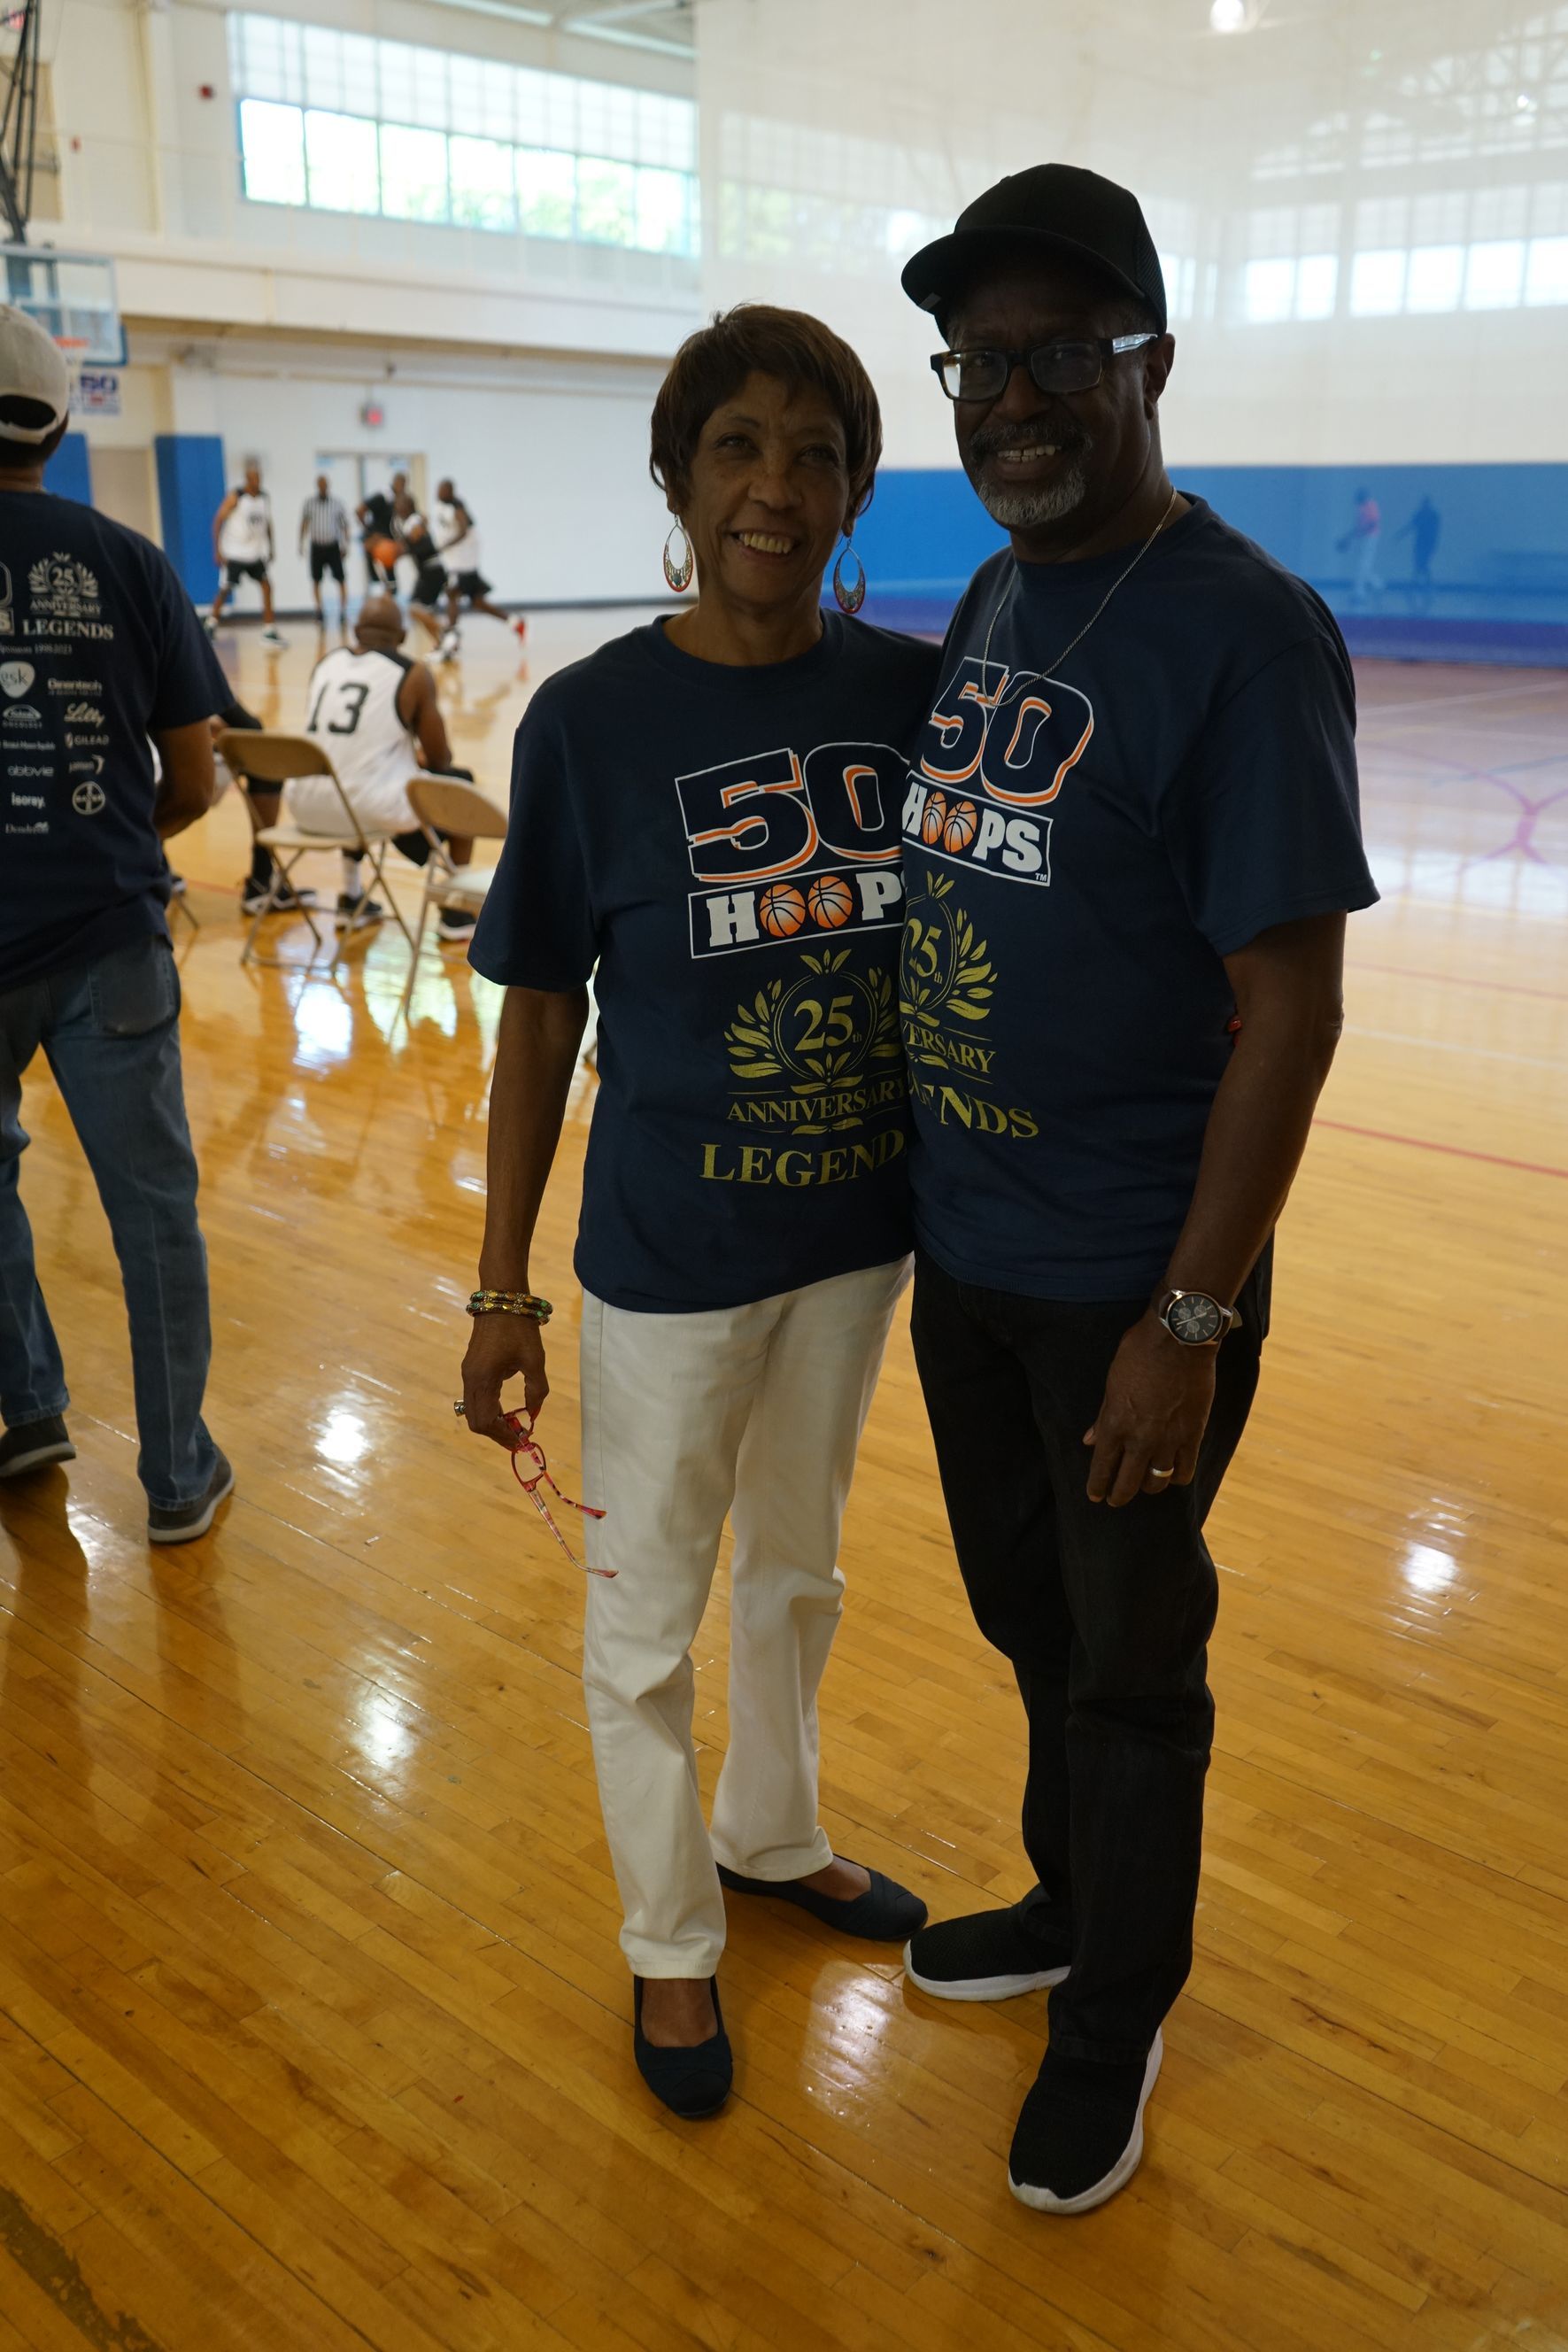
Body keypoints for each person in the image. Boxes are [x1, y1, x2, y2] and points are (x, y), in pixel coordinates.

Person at [892, 167, 1379, 2213]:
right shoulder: (997, 593)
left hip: (1130, 1285)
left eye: (1056, 357)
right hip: (973, 1259)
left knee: (1127, 1660)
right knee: (1028, 1614)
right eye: (977, 363)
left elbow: (1293, 1009)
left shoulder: (1243, 633)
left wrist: (1189, 1319)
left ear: (1150, 364)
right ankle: (1068, 1898)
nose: (1011, 399)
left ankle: (1117, 2015)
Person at [460, 306, 938, 2120]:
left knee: (800, 1570)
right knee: (643, 1620)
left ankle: (772, 1832)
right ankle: (671, 1938)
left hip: (856, 1243)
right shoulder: (590, 722)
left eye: (815, 454)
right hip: (666, 1261)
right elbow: (537, 1012)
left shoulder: (911, 700)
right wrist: (498, 1289)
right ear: (678, 479)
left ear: (854, 492)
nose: (774, 487)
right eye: (737, 446)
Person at [0, 305, 235, 1542]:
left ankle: (28, 1407)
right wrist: (110, 843)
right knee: (152, 1213)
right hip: (109, 941)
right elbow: (194, 780)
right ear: (59, 421)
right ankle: (177, 1474)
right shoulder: (131, 562)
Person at [287, 592, 480, 940]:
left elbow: (341, 744)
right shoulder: (412, 674)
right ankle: (456, 910)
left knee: (353, 777)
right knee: (461, 783)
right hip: (366, 808)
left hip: (304, 805)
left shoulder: (326, 664)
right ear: (403, 636)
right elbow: (441, 760)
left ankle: (352, 896)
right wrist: (413, 756)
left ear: (355, 630)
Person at [429, 480, 527, 660]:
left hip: (464, 561)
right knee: (477, 602)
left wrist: (445, 545)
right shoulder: (441, 507)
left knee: (452, 594)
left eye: (442, 490)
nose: (438, 492)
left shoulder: (457, 507)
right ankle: (515, 622)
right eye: (438, 489)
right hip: (458, 560)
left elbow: (463, 530)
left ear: (450, 492)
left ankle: (451, 640)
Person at [207, 460, 285, 643]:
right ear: (247, 479)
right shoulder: (236, 497)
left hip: (255, 554)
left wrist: (271, 547)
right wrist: (217, 550)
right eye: (254, 478)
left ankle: (269, 629)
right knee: (226, 589)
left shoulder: (264, 497)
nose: (257, 481)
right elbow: (218, 520)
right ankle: (210, 624)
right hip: (235, 553)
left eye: (259, 478)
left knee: (267, 586)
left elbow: (268, 523)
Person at [298, 474, 351, 628]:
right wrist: (300, 543)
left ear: (328, 485)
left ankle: (343, 611)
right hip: (317, 546)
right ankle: (319, 611)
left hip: (333, 545)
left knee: (341, 579)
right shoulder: (309, 503)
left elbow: (344, 525)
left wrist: (345, 545)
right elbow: (304, 523)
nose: (322, 487)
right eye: (320, 484)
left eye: (325, 484)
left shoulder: (337, 503)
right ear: (317, 485)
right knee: (316, 580)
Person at [1338, 484, 1383, 603]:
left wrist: (1361, 533)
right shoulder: (1361, 507)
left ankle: (1359, 593)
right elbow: (1358, 526)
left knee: (1362, 566)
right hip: (1363, 539)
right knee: (1363, 566)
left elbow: (1373, 523)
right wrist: (1347, 538)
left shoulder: (1371, 505)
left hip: (1370, 538)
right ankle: (1378, 585)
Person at [1394, 494, 1441, 609]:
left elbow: (1435, 531)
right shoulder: (1423, 514)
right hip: (1421, 544)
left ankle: (1420, 587)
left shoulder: (1432, 515)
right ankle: (1426, 587)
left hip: (1426, 544)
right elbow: (1411, 526)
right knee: (1421, 565)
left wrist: (1400, 535)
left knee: (1422, 565)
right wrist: (1400, 535)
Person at [357, 476, 402, 590]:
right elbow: (360, 510)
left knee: (390, 574)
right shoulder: (382, 497)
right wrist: (369, 531)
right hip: (377, 541)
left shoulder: (397, 500)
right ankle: (378, 588)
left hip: (388, 542)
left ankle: (390, 592)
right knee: (377, 571)